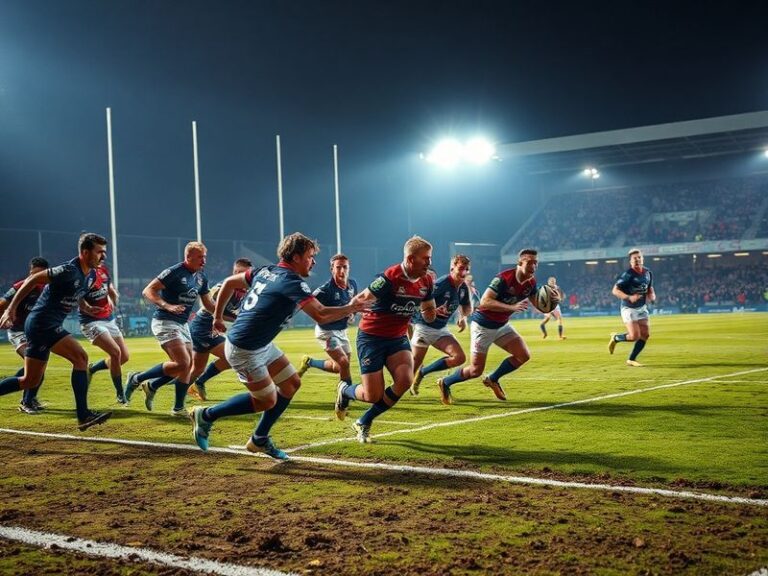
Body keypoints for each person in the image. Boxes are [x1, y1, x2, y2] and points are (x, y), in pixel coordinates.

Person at [189, 232, 369, 458]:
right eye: (310, 256)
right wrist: (353, 307)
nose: (313, 261)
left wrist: (217, 317)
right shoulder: (290, 281)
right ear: (295, 257)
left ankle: (259, 439)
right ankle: (206, 415)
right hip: (244, 349)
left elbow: (228, 282)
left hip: (260, 344)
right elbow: (321, 315)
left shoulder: (266, 270)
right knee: (266, 400)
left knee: (291, 383)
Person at [0, 233, 113, 430]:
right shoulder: (68, 269)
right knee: (81, 358)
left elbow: (76, 294)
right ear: (85, 252)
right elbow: (33, 279)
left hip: (42, 325)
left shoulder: (92, 275)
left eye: (104, 252)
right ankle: (83, 415)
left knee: (30, 379)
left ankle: (83, 415)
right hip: (43, 322)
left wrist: (86, 307)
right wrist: (10, 310)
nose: (103, 256)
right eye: (99, 252)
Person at [336, 236, 437, 443]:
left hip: (397, 338)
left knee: (405, 380)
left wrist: (431, 313)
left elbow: (429, 309)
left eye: (430, 258)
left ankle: (364, 421)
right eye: (425, 258)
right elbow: (361, 298)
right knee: (372, 394)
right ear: (410, 259)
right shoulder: (390, 277)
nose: (429, 263)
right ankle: (345, 390)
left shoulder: (427, 280)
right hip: (371, 338)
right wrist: (351, 310)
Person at [436, 249, 554, 405]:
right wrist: (511, 308)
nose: (534, 266)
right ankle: (445, 382)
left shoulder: (531, 282)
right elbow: (485, 301)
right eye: (530, 262)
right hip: (483, 326)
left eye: (536, 263)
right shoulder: (503, 279)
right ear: (520, 263)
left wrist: (551, 303)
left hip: (502, 325)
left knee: (523, 355)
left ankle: (492, 379)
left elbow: (538, 305)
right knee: (475, 370)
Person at [125, 241, 214, 415]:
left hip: (182, 324)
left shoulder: (201, 277)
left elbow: (209, 303)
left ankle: (176, 406)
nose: (203, 261)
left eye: (205, 257)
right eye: (199, 257)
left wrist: (221, 317)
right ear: (188, 257)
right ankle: (137, 378)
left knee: (186, 367)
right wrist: (167, 305)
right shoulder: (175, 272)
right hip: (165, 320)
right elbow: (148, 290)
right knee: (183, 363)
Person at [186, 258, 252, 401]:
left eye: (244, 273)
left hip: (208, 329)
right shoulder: (225, 286)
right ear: (234, 272)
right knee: (230, 357)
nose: (240, 275)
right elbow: (208, 306)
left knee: (197, 369)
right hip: (203, 328)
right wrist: (235, 319)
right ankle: (197, 384)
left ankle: (156, 385)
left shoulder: (245, 290)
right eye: (238, 272)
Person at [409, 254, 472, 396]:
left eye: (467, 269)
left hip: (441, 330)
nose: (464, 272)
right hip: (423, 328)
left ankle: (424, 372)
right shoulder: (441, 284)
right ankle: (393, 394)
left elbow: (467, 307)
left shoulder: (463, 288)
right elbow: (419, 301)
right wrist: (431, 309)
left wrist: (463, 317)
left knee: (459, 358)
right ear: (452, 268)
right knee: (410, 370)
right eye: (461, 268)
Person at [297, 254, 358, 397]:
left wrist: (352, 314)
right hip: (326, 332)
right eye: (338, 267)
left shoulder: (353, 284)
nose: (342, 271)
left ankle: (309, 362)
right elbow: (305, 304)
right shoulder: (324, 290)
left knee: (338, 367)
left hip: (342, 331)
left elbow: (353, 303)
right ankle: (344, 398)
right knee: (344, 363)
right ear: (332, 269)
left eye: (345, 267)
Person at [0, 257, 49, 413]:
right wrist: (5, 317)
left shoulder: (49, 288)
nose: (34, 277)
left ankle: (23, 395)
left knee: (35, 369)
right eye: (32, 273)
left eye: (38, 274)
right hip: (18, 332)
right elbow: (2, 303)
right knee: (36, 368)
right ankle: (26, 402)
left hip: (36, 332)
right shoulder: (21, 286)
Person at [80, 263, 130, 404]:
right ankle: (120, 394)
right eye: (99, 253)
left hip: (108, 318)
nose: (102, 256)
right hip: (91, 321)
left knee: (124, 357)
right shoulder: (84, 275)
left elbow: (108, 288)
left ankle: (93, 368)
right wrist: (88, 308)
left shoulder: (104, 271)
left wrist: (112, 297)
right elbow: (78, 297)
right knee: (115, 353)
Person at [608, 248, 655, 367]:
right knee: (634, 336)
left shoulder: (648, 272)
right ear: (630, 262)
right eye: (634, 258)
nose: (637, 260)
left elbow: (649, 288)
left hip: (642, 307)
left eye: (639, 257)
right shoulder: (628, 275)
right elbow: (615, 290)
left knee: (645, 335)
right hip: (629, 308)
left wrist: (652, 295)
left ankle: (631, 359)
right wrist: (629, 297)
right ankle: (616, 338)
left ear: (643, 259)